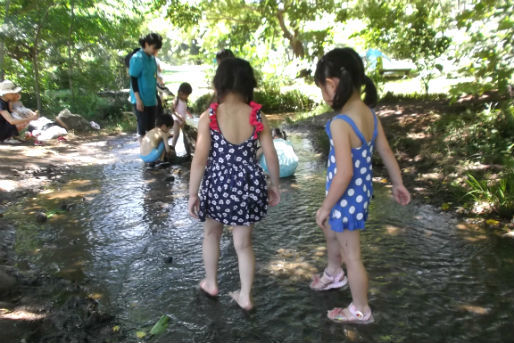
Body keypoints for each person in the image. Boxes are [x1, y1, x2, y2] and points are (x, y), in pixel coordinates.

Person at [311, 47, 411, 324]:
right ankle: (334, 273)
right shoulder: (369, 115)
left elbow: (344, 173)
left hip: (343, 198)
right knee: (332, 231)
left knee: (352, 256)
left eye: (322, 88)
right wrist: (398, 183)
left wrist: (325, 206)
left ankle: (359, 309)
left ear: (331, 85)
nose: (323, 95)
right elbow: (387, 153)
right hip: (359, 195)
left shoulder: (340, 123)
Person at [188, 58, 280, 311]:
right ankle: (246, 296)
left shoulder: (211, 116)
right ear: (249, 83)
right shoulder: (257, 115)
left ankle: (211, 282)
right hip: (249, 186)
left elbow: (199, 160)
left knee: (211, 234)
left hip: (217, 184)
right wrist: (275, 185)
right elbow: (270, 155)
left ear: (220, 82)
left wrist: (192, 194)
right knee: (243, 245)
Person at [129, 33, 163, 143]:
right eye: (154, 48)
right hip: (141, 100)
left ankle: (151, 156)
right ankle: (145, 156)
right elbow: (133, 79)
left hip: (151, 100)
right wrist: (138, 99)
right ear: (147, 44)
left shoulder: (152, 58)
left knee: (151, 129)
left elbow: (151, 76)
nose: (155, 51)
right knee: (142, 131)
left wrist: (158, 83)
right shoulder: (137, 58)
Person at [170, 82, 193, 154]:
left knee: (185, 135)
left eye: (188, 95)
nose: (187, 97)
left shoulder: (184, 100)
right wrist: (179, 117)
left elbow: (185, 109)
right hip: (176, 120)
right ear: (181, 92)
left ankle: (188, 150)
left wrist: (189, 114)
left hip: (183, 120)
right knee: (176, 134)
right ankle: (172, 148)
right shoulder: (176, 100)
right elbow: (172, 111)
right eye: (186, 95)